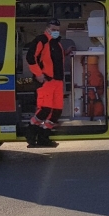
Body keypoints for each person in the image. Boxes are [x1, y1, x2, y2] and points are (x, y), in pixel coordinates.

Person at [25, 19, 66, 147]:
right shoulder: (41, 40)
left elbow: (55, 60)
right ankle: (30, 132)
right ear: (47, 28)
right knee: (44, 110)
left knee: (56, 111)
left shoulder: (56, 43)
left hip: (57, 81)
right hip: (46, 81)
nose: (56, 32)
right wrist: (39, 74)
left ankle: (44, 137)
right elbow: (30, 57)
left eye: (58, 30)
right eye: (53, 29)